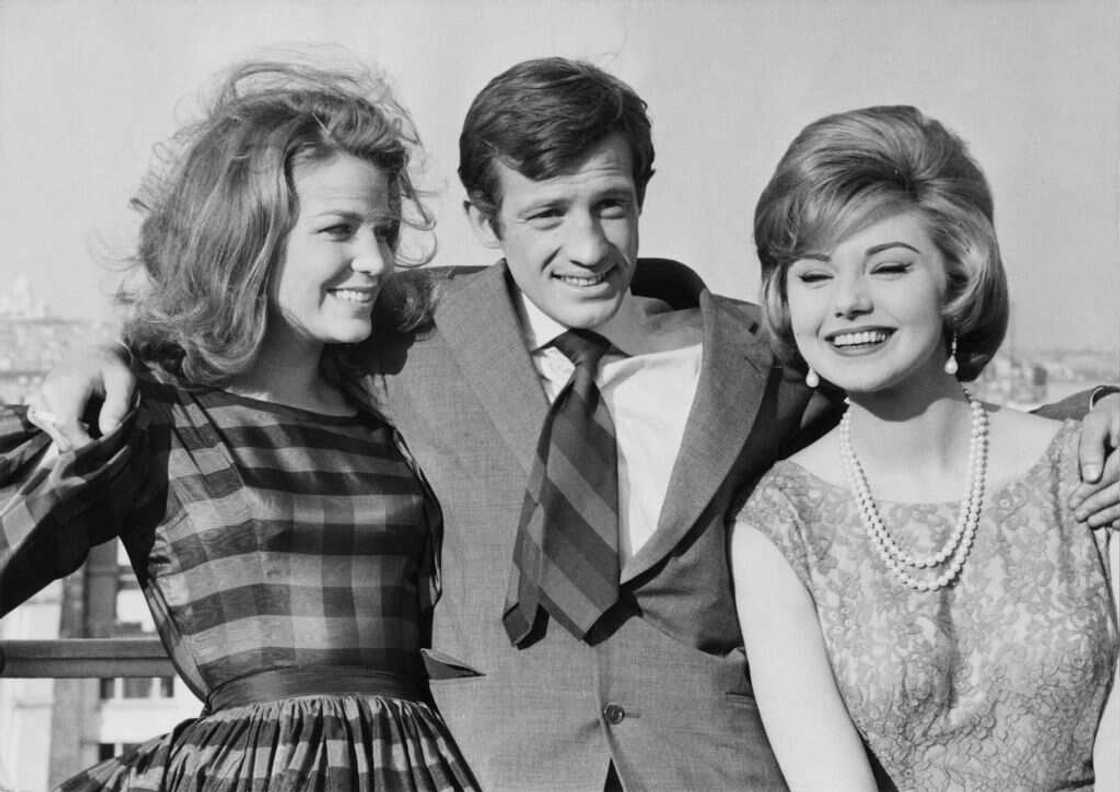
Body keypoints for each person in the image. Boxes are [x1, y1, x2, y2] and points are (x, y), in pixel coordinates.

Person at [23, 59, 1120, 791]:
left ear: (646, 191)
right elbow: (246, 332)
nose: (587, 246)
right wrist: (108, 349)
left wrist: (1102, 417)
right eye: (545, 213)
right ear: (481, 219)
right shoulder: (403, 335)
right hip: (482, 773)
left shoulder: (761, 350)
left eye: (611, 203)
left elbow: (916, 401)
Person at [0, 61, 479, 791]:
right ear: (251, 239)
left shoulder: (394, 404)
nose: (376, 260)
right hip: (252, 772)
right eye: (339, 230)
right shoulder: (155, 418)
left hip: (425, 766)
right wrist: (99, 351)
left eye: (384, 230)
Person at [732, 105, 1119, 790]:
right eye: (814, 277)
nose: (847, 302)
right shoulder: (781, 525)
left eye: (888, 267)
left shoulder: (1089, 470)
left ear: (957, 277)